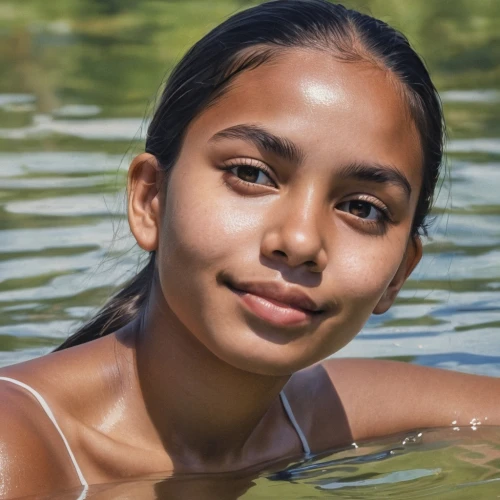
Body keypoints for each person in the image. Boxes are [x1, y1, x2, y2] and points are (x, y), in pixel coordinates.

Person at [1, 0, 499, 497]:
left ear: (398, 274)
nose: (300, 242)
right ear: (152, 198)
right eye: (250, 174)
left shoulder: (312, 418)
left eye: (362, 208)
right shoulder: (19, 450)